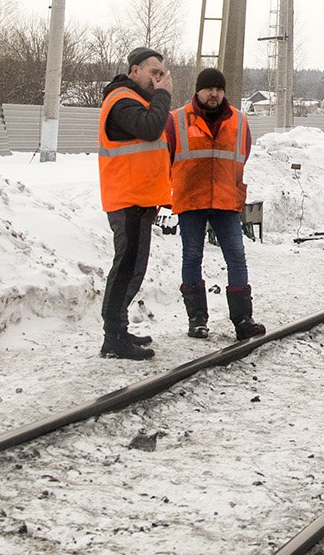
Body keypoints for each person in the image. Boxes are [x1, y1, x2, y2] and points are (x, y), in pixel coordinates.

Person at [169, 68, 266, 341]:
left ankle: (243, 319)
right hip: (191, 199)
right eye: (209, 88)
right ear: (198, 91)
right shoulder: (176, 120)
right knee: (192, 256)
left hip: (225, 199)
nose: (214, 94)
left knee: (236, 256)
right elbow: (166, 157)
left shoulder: (239, 120)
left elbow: (242, 155)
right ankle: (197, 319)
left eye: (219, 89)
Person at [98, 47, 174, 360]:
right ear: (134, 71)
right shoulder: (120, 100)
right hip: (126, 199)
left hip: (140, 200)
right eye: (153, 72)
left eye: (161, 74)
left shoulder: (138, 101)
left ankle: (119, 329)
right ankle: (112, 338)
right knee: (126, 267)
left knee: (134, 268)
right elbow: (150, 128)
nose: (158, 79)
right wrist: (164, 95)